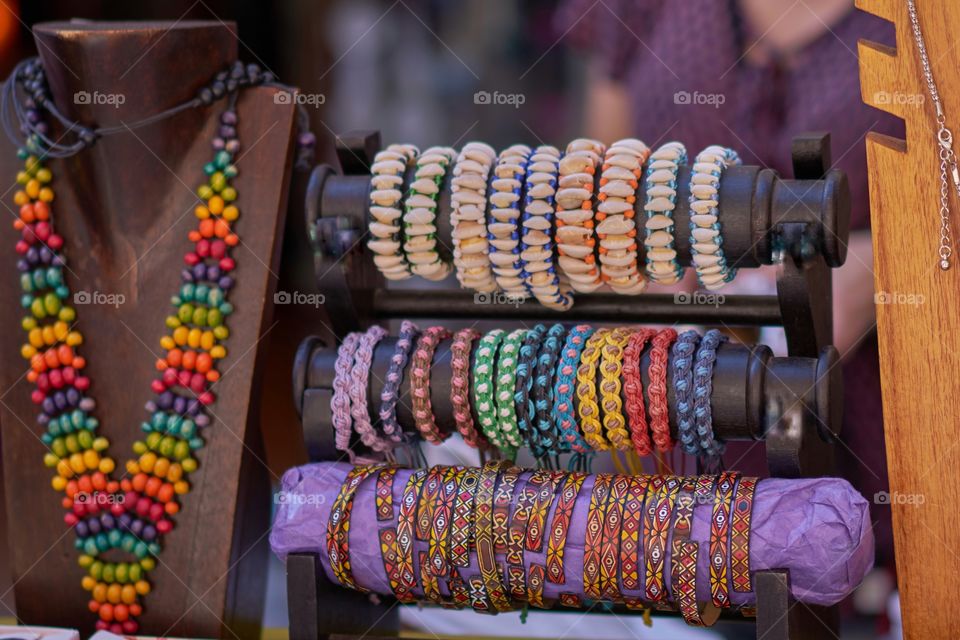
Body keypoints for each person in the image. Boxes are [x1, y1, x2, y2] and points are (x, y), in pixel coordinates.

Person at [555, 0, 899, 585]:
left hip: (892, 457)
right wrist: (640, 275)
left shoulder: (932, 25)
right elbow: (592, 204)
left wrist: (889, 270)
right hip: (672, 494)